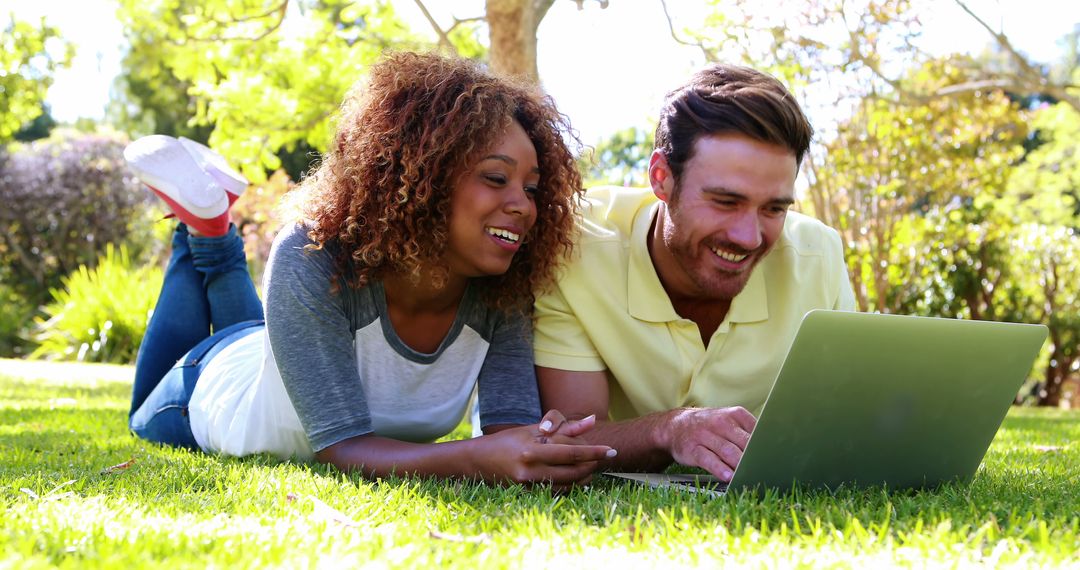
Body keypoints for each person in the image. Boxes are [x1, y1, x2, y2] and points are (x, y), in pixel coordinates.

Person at [126, 51, 615, 489]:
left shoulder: (504, 290)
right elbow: (343, 448)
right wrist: (475, 457)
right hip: (204, 386)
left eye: (531, 188)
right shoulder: (313, 256)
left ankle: (212, 225)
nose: (524, 207)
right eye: (495, 178)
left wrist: (542, 447)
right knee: (138, 413)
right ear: (423, 175)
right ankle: (207, 230)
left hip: (273, 349)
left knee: (256, 337)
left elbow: (510, 433)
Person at [532, 63, 856, 482]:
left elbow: (845, 421)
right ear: (661, 178)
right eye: (725, 201)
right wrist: (669, 429)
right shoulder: (575, 246)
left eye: (774, 208)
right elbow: (572, 440)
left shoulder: (819, 255)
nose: (749, 236)